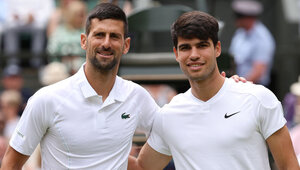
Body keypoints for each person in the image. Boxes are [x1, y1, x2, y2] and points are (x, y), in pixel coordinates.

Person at [128, 11, 300, 170]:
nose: (194, 54)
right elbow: (142, 168)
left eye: (202, 45)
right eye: (185, 47)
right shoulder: (168, 116)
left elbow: (289, 166)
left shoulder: (258, 98)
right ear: (176, 53)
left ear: (217, 48)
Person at [1, 3, 159, 169]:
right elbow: (10, 164)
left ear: (126, 45)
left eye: (114, 36)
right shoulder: (46, 99)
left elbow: (169, 134)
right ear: (84, 41)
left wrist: (141, 165)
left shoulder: (137, 96)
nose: (106, 43)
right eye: (99, 35)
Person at [229, 0, 275, 87]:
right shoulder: (239, 33)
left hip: (253, 87)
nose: (236, 20)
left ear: (250, 18)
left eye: (240, 17)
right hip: (238, 84)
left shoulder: (262, 38)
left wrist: (240, 87)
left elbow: (258, 71)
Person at [3, 0, 55, 67]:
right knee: (10, 29)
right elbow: (5, 10)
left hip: (36, 23)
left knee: (39, 29)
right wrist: (14, 17)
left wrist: (35, 17)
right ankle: (12, 66)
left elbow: (49, 10)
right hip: (16, 23)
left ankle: (36, 64)